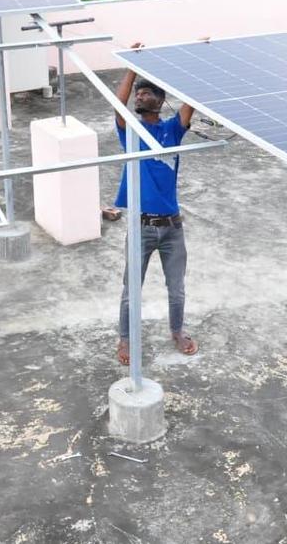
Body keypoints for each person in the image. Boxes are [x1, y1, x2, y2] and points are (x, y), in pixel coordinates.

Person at [114, 44, 199, 366]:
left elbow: (190, 102)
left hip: (173, 228)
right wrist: (131, 66)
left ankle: (177, 332)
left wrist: (191, 60)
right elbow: (118, 102)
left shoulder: (172, 131)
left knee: (176, 289)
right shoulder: (131, 132)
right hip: (140, 227)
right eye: (138, 93)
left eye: (146, 93)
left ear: (161, 101)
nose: (139, 97)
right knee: (130, 290)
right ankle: (125, 338)